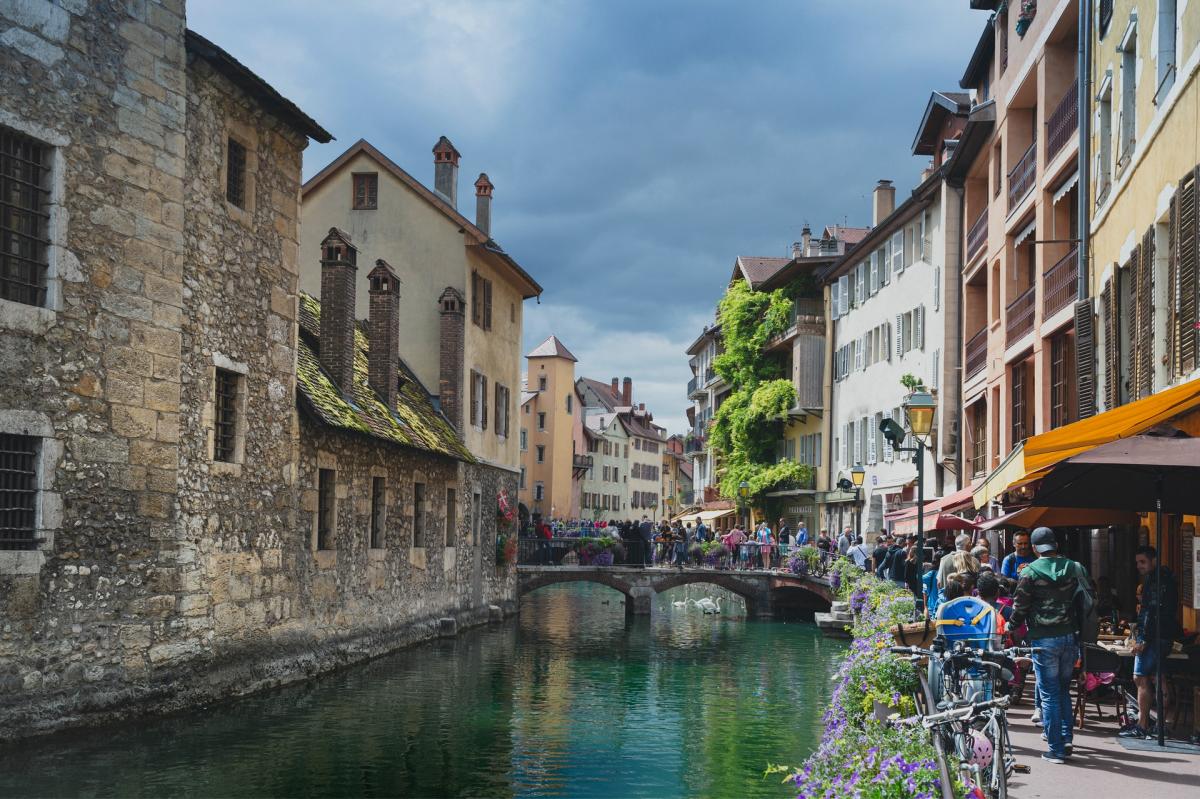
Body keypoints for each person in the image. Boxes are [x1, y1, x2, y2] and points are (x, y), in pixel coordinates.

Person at [1009, 526, 1092, 764]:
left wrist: (1011, 625)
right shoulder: (1076, 568)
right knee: (1064, 689)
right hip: (1070, 638)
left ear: (1034, 548)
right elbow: (1087, 599)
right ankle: (1066, 738)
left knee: (1049, 694)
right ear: (1055, 545)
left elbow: (1020, 607)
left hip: (1044, 640)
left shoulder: (1030, 572)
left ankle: (1055, 749)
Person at [1120, 545, 1182, 740]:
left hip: (1153, 636)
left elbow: (1150, 611)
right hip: (1165, 634)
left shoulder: (1154, 581)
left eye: (1143, 562)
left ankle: (1143, 724)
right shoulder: (1168, 578)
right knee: (1160, 678)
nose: (1139, 566)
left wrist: (1143, 639)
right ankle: (1160, 726)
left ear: (1153, 560)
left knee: (1140, 678)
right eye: (1137, 562)